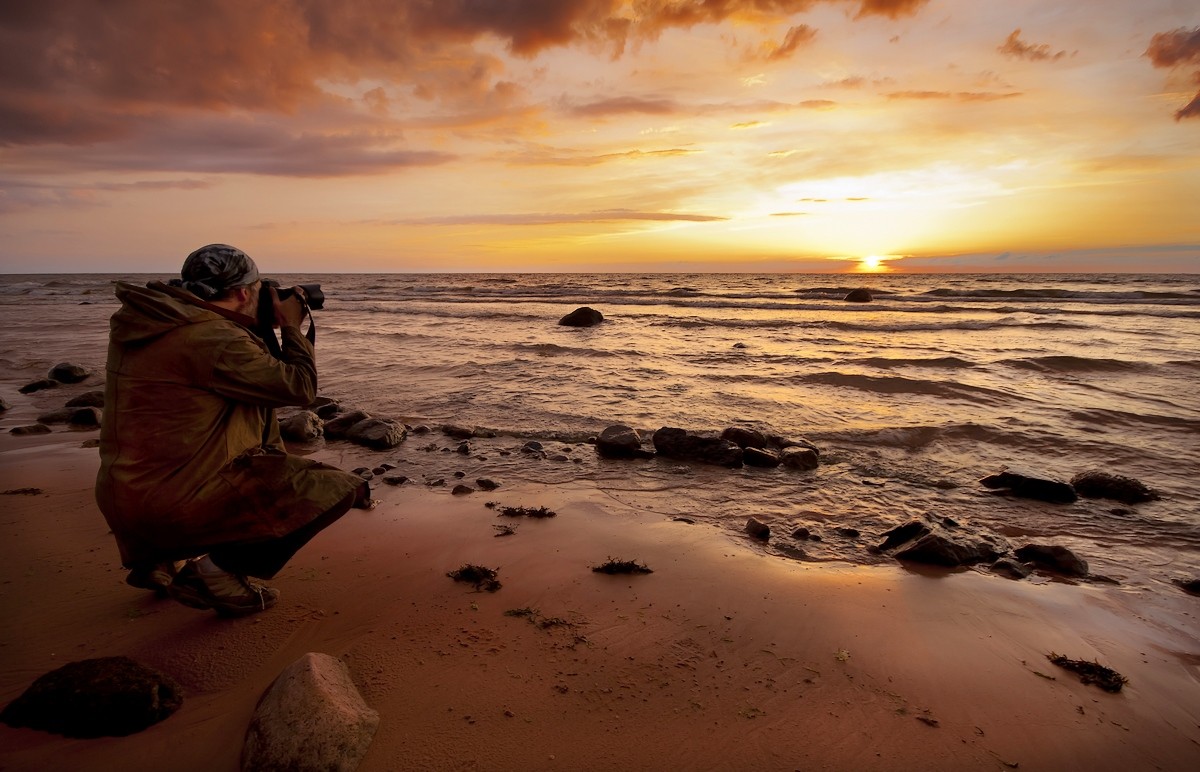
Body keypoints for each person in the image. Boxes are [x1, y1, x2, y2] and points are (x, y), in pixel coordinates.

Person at [95, 244, 370, 616]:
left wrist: (255, 324)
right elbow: (299, 389)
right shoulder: (215, 340)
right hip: (170, 505)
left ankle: (156, 562)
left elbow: (226, 377)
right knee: (340, 491)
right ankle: (215, 575)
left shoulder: (152, 322)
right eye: (257, 290)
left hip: (126, 499)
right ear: (243, 292)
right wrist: (290, 326)